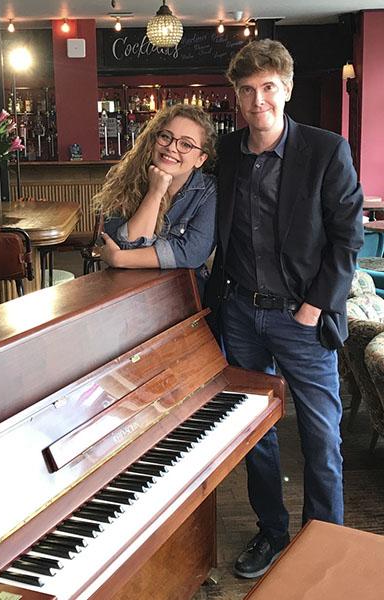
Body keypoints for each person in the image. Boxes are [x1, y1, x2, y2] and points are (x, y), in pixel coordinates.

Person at [205, 39, 364, 579]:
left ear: (287, 89)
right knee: (255, 433)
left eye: (268, 87)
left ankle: (324, 545)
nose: (258, 101)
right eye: (246, 90)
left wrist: (315, 308)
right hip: (241, 317)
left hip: (303, 317)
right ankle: (272, 534)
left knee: (322, 437)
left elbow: (347, 240)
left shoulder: (326, 149)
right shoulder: (226, 153)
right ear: (235, 96)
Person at [94, 104, 217, 293]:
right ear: (154, 140)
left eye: (186, 144)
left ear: (201, 159)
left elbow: (193, 252)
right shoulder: (124, 181)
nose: (171, 148)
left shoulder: (208, 191)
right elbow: (125, 246)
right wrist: (155, 192)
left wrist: (119, 259)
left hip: (184, 300)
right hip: (127, 297)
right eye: (166, 136)